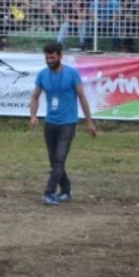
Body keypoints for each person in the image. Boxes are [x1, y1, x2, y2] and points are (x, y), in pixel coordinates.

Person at [29, 41, 97, 206]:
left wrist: (89, 121)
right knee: (54, 161)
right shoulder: (43, 75)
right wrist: (33, 115)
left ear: (60, 56)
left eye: (52, 57)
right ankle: (66, 190)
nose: (49, 60)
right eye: (47, 58)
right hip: (50, 123)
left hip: (68, 123)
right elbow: (34, 97)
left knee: (59, 159)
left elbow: (82, 97)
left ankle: (49, 192)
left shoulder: (72, 74)